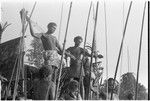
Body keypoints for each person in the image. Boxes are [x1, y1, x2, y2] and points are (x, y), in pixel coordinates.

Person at [26, 16, 75, 83]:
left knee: (54, 73)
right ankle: (46, 84)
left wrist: (69, 55)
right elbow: (33, 34)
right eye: (53, 28)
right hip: (48, 54)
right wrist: (29, 23)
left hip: (55, 55)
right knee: (48, 71)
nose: (54, 30)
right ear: (48, 27)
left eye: (55, 29)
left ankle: (53, 85)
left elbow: (61, 49)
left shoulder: (54, 38)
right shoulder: (43, 35)